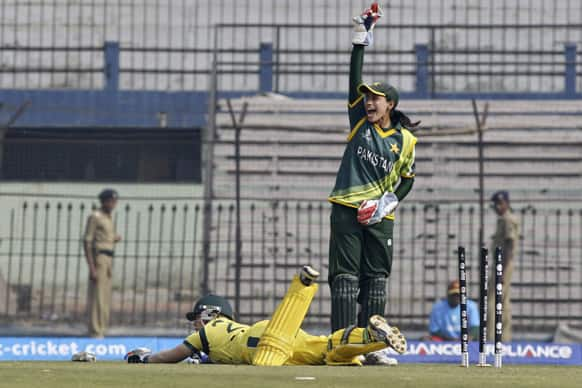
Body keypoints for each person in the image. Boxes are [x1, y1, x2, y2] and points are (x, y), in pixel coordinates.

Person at [327, 2, 418, 345]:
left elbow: (407, 177)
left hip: (379, 215)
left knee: (376, 280)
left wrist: (389, 202)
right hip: (347, 206)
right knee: (346, 280)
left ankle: (372, 345)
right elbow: (354, 81)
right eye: (367, 97)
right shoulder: (358, 125)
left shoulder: (406, 140)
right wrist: (359, 41)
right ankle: (341, 343)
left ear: (390, 104)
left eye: (376, 99)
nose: (369, 102)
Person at [125, 266, 407, 366]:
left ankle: (303, 284)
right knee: (328, 350)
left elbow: (172, 355)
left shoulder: (208, 331)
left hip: (265, 342)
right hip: (279, 337)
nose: (194, 323)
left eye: (197, 317)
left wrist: (146, 359)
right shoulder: (226, 332)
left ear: (210, 315)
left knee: (266, 364)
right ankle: (374, 339)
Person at [83, 188, 121, 338]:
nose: (113, 204)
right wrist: (91, 267)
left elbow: (105, 238)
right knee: (97, 296)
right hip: (99, 258)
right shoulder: (95, 217)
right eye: (111, 201)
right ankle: (95, 330)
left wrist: (114, 238)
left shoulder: (108, 218)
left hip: (109, 259)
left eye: (115, 202)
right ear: (104, 201)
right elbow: (87, 241)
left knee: (105, 297)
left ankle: (103, 328)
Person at [488, 190, 519, 341]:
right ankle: (504, 338)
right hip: (502, 263)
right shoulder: (504, 219)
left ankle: (492, 337)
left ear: (506, 203)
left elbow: (509, 245)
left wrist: (502, 270)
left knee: (493, 301)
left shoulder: (508, 220)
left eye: (500, 204)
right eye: (496, 204)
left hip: (504, 264)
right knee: (503, 302)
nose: (497, 207)